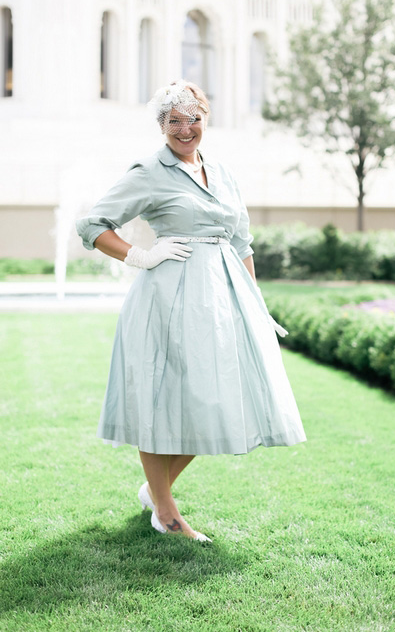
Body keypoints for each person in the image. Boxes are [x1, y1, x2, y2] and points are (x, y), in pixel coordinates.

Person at [76, 79, 306, 542]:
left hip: (224, 301)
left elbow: (241, 241)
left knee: (214, 398)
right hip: (167, 299)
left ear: (206, 118)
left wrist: (254, 303)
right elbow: (91, 224)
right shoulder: (148, 171)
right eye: (174, 121)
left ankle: (155, 493)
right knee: (160, 401)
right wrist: (141, 256)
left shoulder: (221, 171)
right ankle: (166, 512)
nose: (185, 129)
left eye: (193, 118)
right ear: (161, 126)